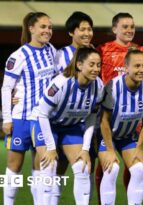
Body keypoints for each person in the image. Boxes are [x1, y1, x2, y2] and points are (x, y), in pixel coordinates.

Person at [31, 46, 104, 205]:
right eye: (91, 64)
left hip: (71, 127)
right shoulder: (61, 83)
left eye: (98, 65)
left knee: (83, 168)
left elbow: (92, 117)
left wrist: (85, 149)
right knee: (49, 167)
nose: (96, 69)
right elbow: (42, 114)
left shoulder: (98, 86)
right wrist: (51, 147)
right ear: (79, 65)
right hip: (46, 123)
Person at [1, 12, 57, 205]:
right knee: (14, 166)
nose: (47, 31)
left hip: (42, 119)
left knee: (42, 165)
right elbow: (7, 87)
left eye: (49, 27)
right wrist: (7, 119)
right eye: (43, 27)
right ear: (31, 29)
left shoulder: (51, 51)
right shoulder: (18, 56)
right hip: (21, 118)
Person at [95, 12, 143, 204]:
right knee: (107, 164)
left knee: (133, 166)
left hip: (133, 118)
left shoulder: (140, 50)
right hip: (107, 117)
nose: (130, 30)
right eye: (125, 26)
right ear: (114, 29)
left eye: (132, 26)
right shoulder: (102, 49)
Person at [98, 48, 143, 205]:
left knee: (138, 169)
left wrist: (138, 147)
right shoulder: (113, 87)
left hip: (128, 136)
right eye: (137, 66)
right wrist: (110, 150)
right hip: (107, 136)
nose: (142, 70)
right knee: (112, 169)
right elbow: (104, 121)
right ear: (126, 67)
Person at [52, 11, 95, 204]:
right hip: (51, 121)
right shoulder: (60, 55)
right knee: (53, 170)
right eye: (82, 29)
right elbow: (47, 84)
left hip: (77, 123)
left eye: (89, 29)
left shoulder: (94, 53)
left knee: (83, 167)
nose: (87, 33)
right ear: (71, 32)